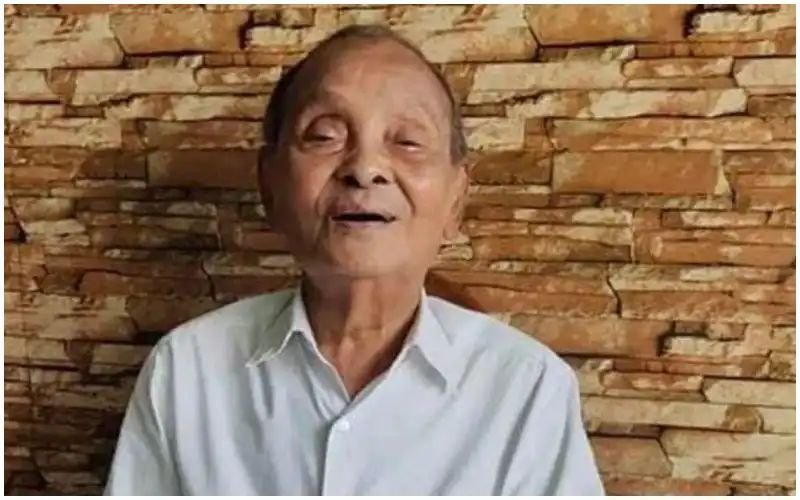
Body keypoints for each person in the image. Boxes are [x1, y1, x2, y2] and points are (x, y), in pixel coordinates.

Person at [104, 24, 604, 495]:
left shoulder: (526, 389)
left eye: (407, 141)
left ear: (456, 200)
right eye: (325, 136)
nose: (365, 169)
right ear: (269, 186)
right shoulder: (187, 370)